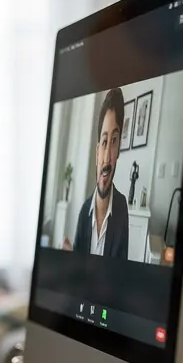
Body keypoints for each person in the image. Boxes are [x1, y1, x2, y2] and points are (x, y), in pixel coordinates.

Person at [63, 87, 130, 259]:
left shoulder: (122, 208)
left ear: (118, 152)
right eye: (104, 141)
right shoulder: (84, 212)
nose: (107, 157)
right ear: (97, 152)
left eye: (114, 141)